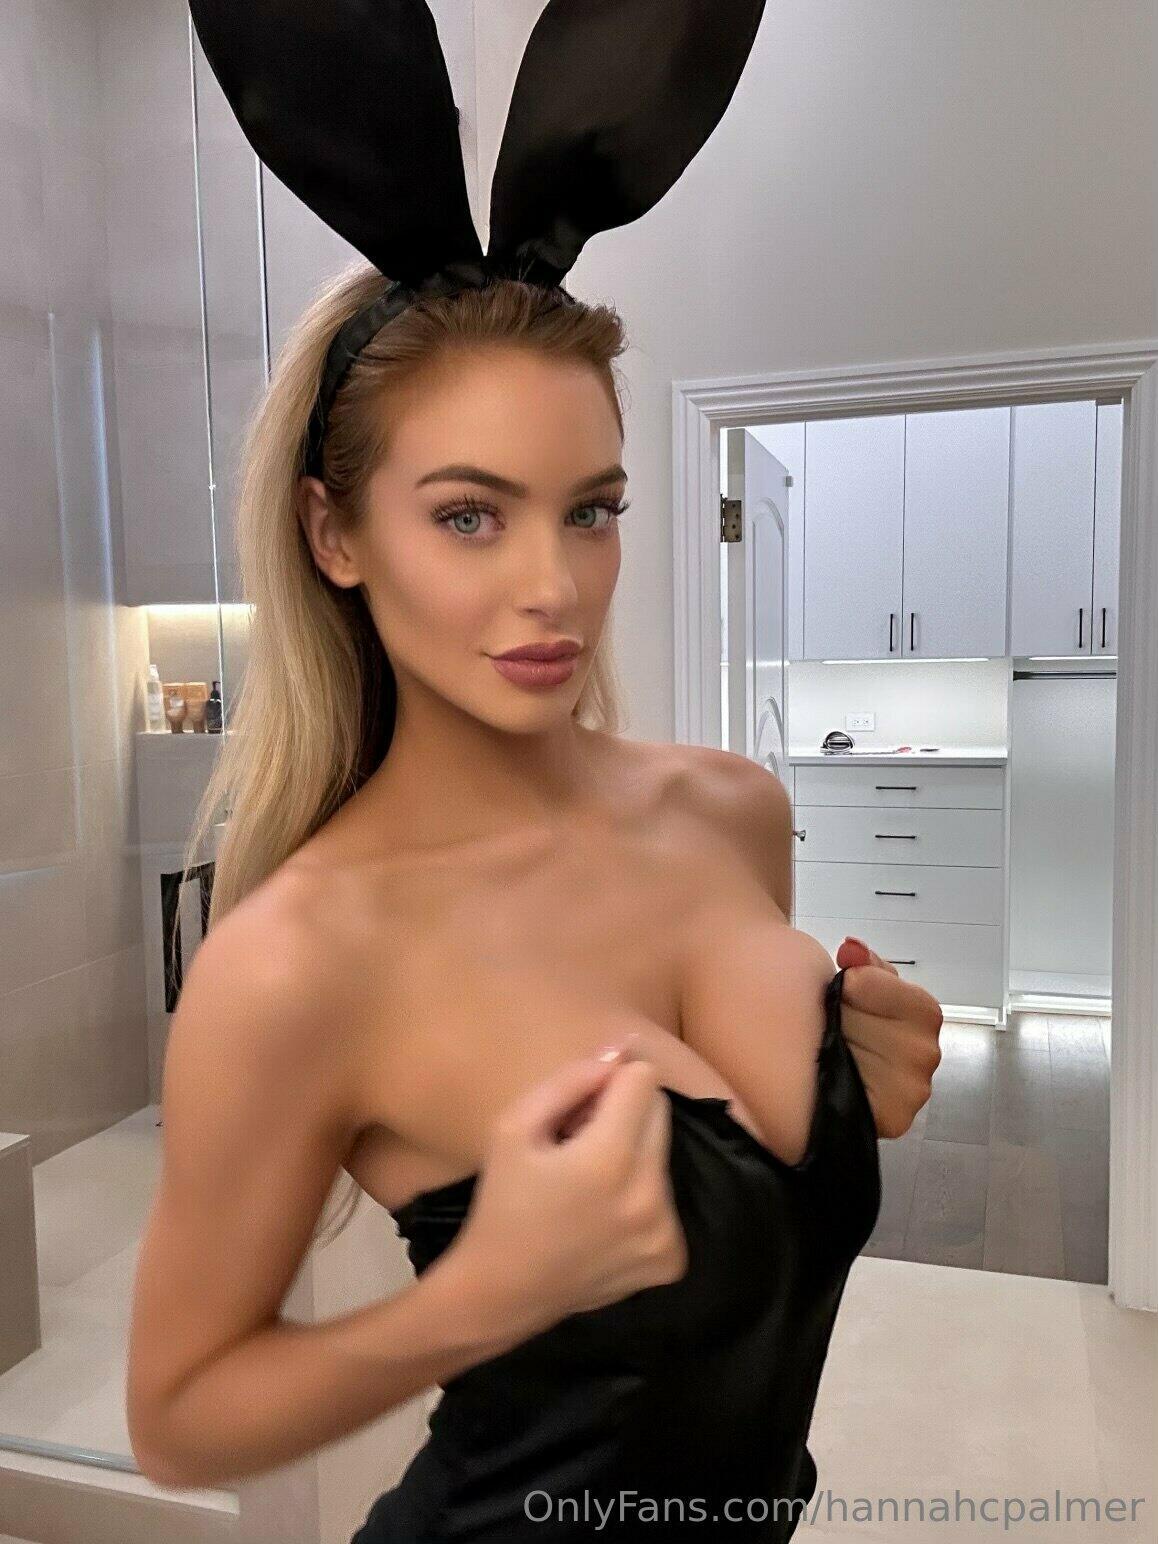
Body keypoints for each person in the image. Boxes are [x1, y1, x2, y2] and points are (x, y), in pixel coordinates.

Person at [126, 2, 943, 1538]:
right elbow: (177, 1416)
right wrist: (477, 1296)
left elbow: (741, 1246)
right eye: (467, 515)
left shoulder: (732, 813)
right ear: (334, 535)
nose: (552, 587)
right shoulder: (298, 960)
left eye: (590, 509)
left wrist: (856, 1094)